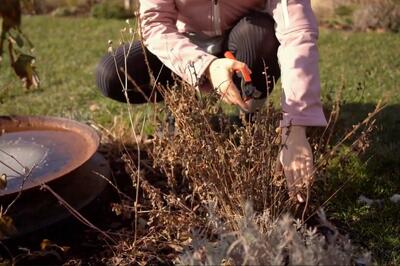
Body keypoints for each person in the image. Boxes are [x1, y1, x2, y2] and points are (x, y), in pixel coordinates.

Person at [96, 0, 328, 202]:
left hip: (242, 39)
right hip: (185, 44)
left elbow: (297, 33)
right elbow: (155, 23)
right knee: (112, 74)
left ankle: (249, 113)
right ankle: (180, 103)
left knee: (260, 35)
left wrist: (295, 128)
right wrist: (205, 66)